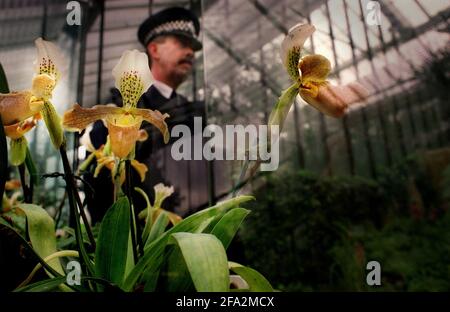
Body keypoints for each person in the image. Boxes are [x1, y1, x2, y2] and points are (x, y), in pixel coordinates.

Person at [83, 7, 206, 224]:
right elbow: (98, 177)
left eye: (192, 47)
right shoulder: (124, 103)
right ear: (154, 50)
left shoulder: (192, 112)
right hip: (138, 233)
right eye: (181, 43)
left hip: (187, 221)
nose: (190, 52)